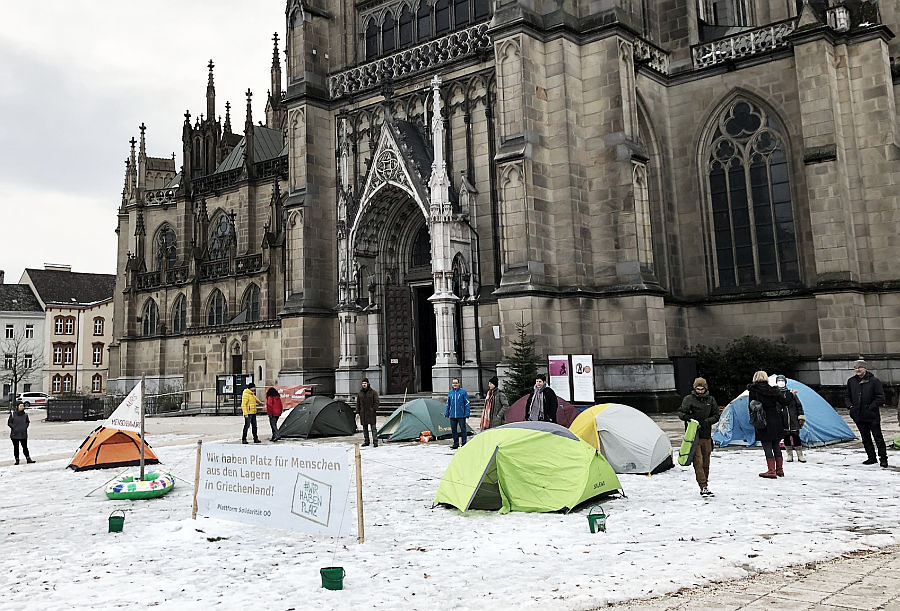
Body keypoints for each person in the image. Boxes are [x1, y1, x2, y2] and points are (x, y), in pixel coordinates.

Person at [678, 377, 719, 497]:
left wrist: (708, 421)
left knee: (706, 462)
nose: (700, 391)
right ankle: (703, 486)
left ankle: (705, 483)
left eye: (702, 388)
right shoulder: (689, 399)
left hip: (706, 435)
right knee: (698, 462)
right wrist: (688, 418)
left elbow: (716, 415)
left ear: (705, 388)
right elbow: (681, 412)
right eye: (698, 388)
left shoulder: (711, 400)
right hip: (693, 436)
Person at [845, 359, 888, 468]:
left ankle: (883, 458)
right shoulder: (851, 381)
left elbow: (880, 397)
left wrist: (870, 407)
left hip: (872, 415)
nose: (857, 370)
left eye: (860, 367)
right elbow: (847, 396)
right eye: (855, 368)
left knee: (878, 437)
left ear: (865, 368)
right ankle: (871, 457)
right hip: (858, 415)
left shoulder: (874, 381)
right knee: (865, 438)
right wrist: (851, 407)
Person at [748, 371, 790, 478]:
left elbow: (751, 406)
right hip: (776, 419)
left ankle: (771, 470)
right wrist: (790, 394)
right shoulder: (773, 390)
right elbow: (785, 402)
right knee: (776, 445)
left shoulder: (753, 390)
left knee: (767, 445)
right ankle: (779, 470)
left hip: (763, 420)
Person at [776, 375, 805, 463]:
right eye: (779, 380)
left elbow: (798, 405)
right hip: (783, 420)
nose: (781, 382)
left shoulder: (791, 393)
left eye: (782, 380)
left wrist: (800, 416)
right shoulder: (776, 394)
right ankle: (789, 454)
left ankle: (800, 454)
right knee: (786, 437)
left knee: (796, 436)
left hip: (794, 419)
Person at [445, 378, 470, 449]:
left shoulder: (463, 392)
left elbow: (467, 403)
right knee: (454, 430)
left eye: (456, 383)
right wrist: (447, 412)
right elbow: (448, 404)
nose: (455, 384)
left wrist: (467, 413)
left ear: (459, 384)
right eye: (453, 383)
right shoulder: (450, 392)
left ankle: (464, 443)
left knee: (463, 429)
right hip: (452, 415)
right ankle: (455, 444)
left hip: (461, 415)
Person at [356, 378, 380, 447]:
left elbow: (376, 402)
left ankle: (375, 442)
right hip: (363, 413)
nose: (364, 385)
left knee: (373, 428)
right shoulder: (360, 393)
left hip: (371, 413)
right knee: (365, 428)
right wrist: (357, 412)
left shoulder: (373, 392)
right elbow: (358, 403)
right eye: (363, 383)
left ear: (368, 384)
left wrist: (373, 409)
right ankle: (366, 441)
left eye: (365, 383)